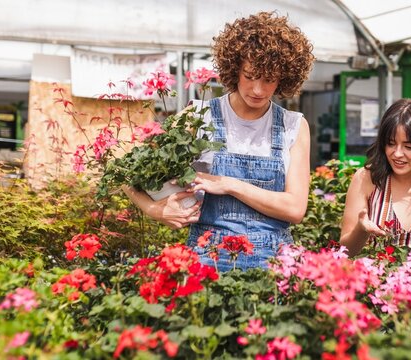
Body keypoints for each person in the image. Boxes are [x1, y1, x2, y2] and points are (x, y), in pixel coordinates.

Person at [124, 11, 314, 271]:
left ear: (284, 77)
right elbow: (127, 174)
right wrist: (154, 209)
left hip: (274, 263)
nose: (258, 89)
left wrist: (229, 184)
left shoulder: (294, 125)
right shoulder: (198, 116)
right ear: (234, 68)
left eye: (269, 79)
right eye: (249, 75)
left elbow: (294, 209)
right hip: (208, 259)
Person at [339, 98, 411, 256]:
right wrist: (361, 230)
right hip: (376, 278)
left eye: (409, 146)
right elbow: (345, 252)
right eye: (391, 143)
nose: (397, 154)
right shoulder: (366, 177)